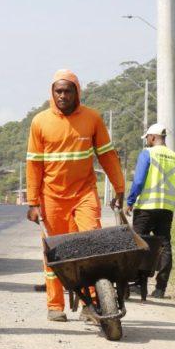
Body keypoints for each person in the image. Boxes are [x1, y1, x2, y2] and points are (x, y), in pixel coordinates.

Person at [26, 69, 125, 322]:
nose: (62, 95)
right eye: (58, 91)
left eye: (67, 90)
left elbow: (107, 156)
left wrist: (120, 187)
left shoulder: (92, 119)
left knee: (91, 245)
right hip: (52, 197)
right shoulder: (40, 122)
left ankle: (90, 304)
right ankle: (55, 305)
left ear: (76, 92)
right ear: (52, 92)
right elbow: (34, 165)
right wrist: (33, 202)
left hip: (84, 193)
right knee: (55, 252)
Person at [125, 123, 175, 299]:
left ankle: (137, 283)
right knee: (165, 246)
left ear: (152, 137)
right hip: (166, 209)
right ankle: (160, 289)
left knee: (138, 244)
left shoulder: (148, 153)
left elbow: (138, 181)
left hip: (146, 208)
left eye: (148, 139)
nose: (147, 142)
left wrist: (130, 201)